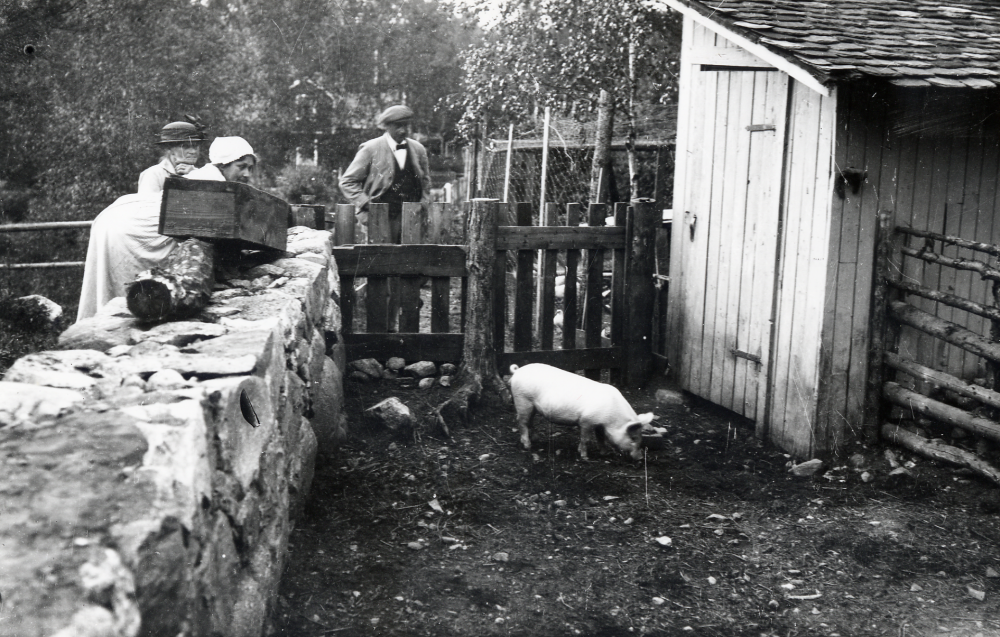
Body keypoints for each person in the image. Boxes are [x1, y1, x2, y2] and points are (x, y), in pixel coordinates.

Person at [77, 137, 257, 321]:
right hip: (131, 225)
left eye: (250, 168)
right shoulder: (212, 181)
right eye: (241, 166)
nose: (247, 174)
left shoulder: (215, 179)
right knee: (121, 282)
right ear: (222, 165)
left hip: (125, 217)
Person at [339, 105, 432, 330]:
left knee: (408, 268)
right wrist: (366, 205)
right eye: (398, 126)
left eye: (406, 125)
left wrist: (422, 205)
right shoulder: (371, 148)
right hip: (379, 220)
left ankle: (401, 324)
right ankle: (381, 326)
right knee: (382, 270)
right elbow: (348, 182)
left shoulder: (418, 149)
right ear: (386, 126)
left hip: (410, 219)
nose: (403, 130)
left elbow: (426, 183)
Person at [137, 120, 206, 193]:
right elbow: (149, 200)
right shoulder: (154, 174)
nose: (193, 151)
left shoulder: (199, 173)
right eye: (186, 146)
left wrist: (195, 175)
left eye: (195, 146)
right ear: (169, 148)